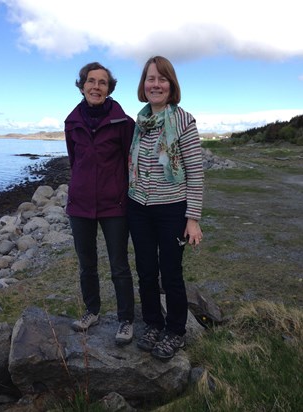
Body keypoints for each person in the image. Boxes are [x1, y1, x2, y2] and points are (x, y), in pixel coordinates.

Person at [128, 56, 204, 360]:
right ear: (143, 85)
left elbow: (196, 171)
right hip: (138, 208)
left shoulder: (183, 120)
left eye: (162, 79)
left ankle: (175, 331)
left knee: (171, 273)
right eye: (150, 78)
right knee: (146, 271)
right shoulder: (140, 121)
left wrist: (193, 218)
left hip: (172, 209)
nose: (155, 84)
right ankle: (152, 324)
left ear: (171, 85)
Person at [65, 62, 135, 345]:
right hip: (80, 205)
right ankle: (91, 311)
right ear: (82, 86)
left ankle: (126, 319)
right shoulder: (71, 122)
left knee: (119, 265)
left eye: (102, 82)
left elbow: (130, 164)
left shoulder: (124, 123)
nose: (96, 86)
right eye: (91, 81)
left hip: (114, 205)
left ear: (110, 88)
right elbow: (74, 161)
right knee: (87, 264)